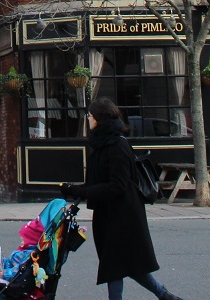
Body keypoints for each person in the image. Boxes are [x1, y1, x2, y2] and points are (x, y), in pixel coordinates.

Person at [60, 98, 183, 300]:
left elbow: (118, 185)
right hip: (109, 214)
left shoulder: (117, 145)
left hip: (123, 216)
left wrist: (83, 192)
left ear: (99, 119)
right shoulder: (102, 144)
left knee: (115, 265)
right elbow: (99, 182)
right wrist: (74, 190)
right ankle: (164, 295)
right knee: (128, 264)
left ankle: (161, 295)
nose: (88, 119)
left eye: (90, 116)